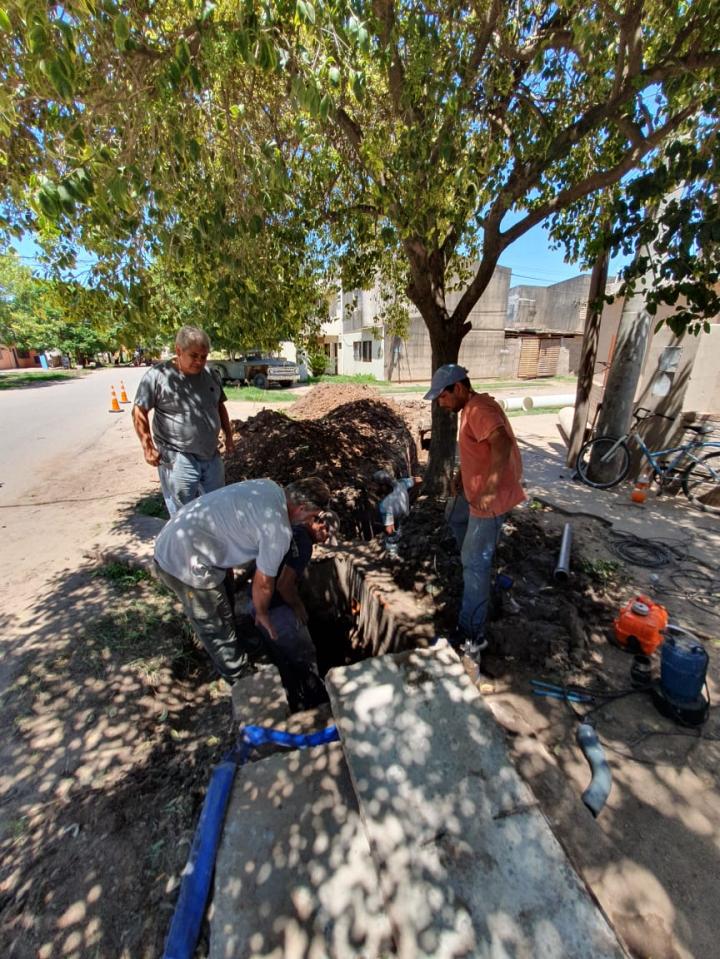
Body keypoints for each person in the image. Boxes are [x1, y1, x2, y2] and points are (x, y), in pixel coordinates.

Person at [152, 477, 331, 684]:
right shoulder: (277, 529)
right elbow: (263, 582)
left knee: (225, 600)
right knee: (215, 621)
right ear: (300, 509)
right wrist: (262, 613)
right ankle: (239, 677)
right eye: (312, 515)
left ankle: (239, 641)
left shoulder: (269, 486)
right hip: (182, 558)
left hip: (185, 533)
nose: (311, 521)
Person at [425, 364, 525, 660]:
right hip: (475, 496)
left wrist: (491, 487)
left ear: (458, 388)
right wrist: (462, 476)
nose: (440, 404)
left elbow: (502, 442)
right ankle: (476, 570)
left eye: (442, 397)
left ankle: (472, 633)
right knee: (453, 517)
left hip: (488, 502)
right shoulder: (470, 409)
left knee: (475, 562)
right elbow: (478, 450)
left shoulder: (479, 408)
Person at [132, 326, 235, 515]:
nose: (199, 361)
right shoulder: (158, 376)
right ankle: (186, 544)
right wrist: (147, 446)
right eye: (194, 356)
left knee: (217, 506)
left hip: (211, 455)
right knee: (184, 513)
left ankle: (212, 542)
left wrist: (228, 436)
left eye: (204, 357)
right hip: (178, 456)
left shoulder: (210, 375)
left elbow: (219, 406)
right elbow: (139, 410)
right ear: (179, 350)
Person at [249, 511, 339, 712]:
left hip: (257, 603)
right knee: (304, 655)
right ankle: (317, 703)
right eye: (326, 535)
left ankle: (295, 694)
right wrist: (298, 606)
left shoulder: (290, 529)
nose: (323, 541)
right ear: (321, 526)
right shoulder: (304, 542)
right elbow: (283, 585)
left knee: (283, 659)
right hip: (274, 609)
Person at [372, 470, 422, 535]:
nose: (374, 488)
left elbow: (390, 531)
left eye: (376, 486)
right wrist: (412, 498)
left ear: (383, 486)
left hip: (399, 526)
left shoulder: (385, 506)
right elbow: (419, 479)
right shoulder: (402, 484)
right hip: (405, 517)